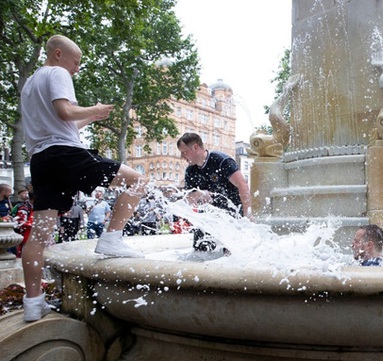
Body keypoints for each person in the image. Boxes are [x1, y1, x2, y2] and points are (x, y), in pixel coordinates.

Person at [19, 34, 147, 322]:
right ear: (58, 54)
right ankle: (112, 238)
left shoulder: (30, 85)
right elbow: (65, 111)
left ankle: (33, 302)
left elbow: (63, 122)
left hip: (41, 159)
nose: (77, 69)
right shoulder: (58, 72)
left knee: (39, 235)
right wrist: (95, 109)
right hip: (66, 154)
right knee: (137, 180)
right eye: (76, 63)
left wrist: (91, 117)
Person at [176, 132, 252, 252]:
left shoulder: (221, 160)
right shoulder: (191, 171)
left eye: (184, 152)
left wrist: (248, 214)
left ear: (195, 147)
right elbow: (188, 199)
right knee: (200, 249)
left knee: (233, 251)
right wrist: (199, 194)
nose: (182, 157)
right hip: (209, 214)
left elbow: (243, 186)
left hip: (232, 209)